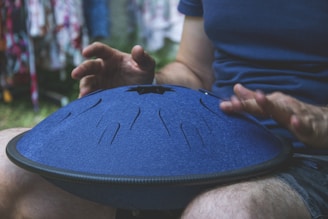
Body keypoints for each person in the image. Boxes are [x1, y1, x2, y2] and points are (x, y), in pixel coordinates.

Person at [1, 0, 328, 218]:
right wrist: (145, 85)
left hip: (311, 157)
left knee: (224, 211)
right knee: (5, 164)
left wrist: (322, 120)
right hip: (213, 145)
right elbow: (194, 70)